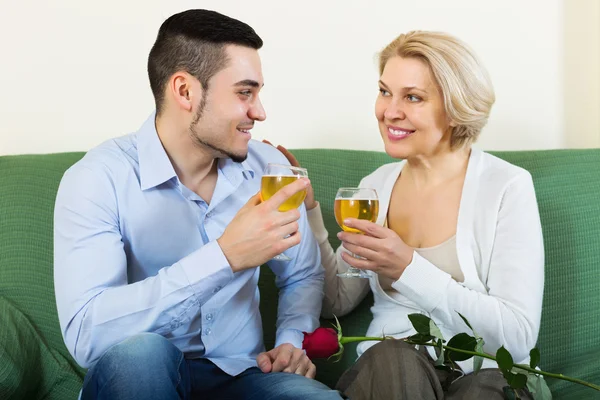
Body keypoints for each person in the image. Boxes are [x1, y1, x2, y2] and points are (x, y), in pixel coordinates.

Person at [53, 9, 343, 400]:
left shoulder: (266, 171)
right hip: (143, 376)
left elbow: (302, 274)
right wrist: (223, 258)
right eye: (244, 93)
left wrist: (292, 339)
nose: (259, 112)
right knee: (142, 354)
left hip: (246, 375)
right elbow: (87, 333)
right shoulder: (97, 179)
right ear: (185, 91)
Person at [272, 31, 544, 399]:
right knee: (393, 358)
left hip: (488, 373)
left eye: (412, 97)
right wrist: (309, 213)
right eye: (385, 91)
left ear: (454, 107)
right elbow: (335, 301)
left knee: (484, 389)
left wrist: (407, 269)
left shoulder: (507, 186)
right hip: (394, 378)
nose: (389, 111)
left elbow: (515, 336)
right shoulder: (375, 188)